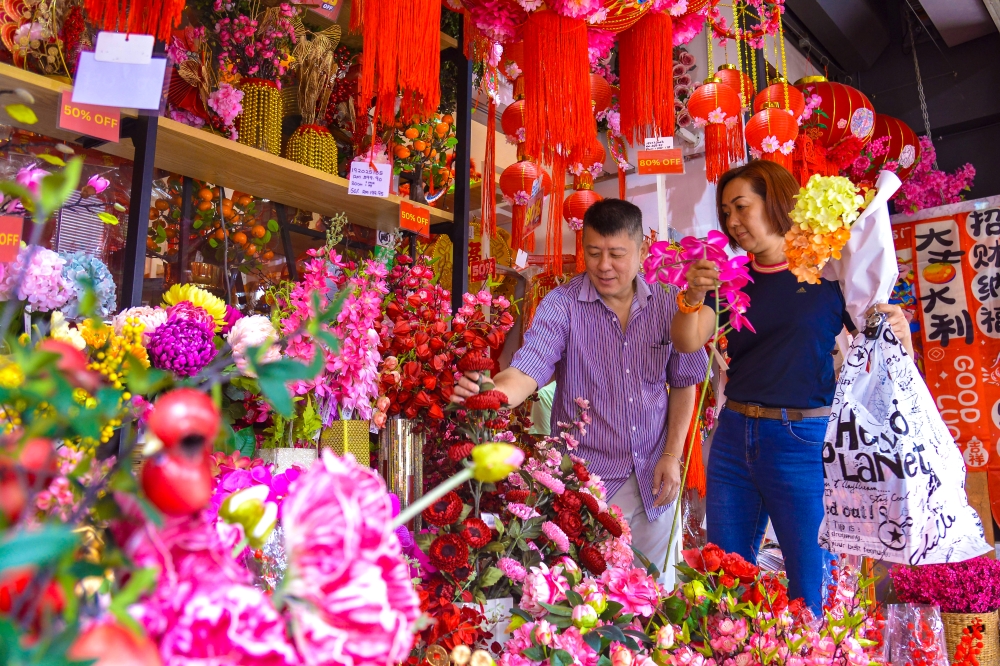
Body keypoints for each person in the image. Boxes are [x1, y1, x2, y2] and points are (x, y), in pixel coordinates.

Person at [670, 160, 912, 611]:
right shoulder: (730, 279)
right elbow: (686, 339)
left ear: (776, 202)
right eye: (726, 213)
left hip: (802, 440)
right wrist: (693, 296)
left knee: (810, 583)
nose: (734, 222)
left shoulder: (829, 273)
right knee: (726, 579)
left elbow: (879, 339)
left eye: (742, 207)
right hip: (733, 439)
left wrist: (896, 324)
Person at [453, 199, 709, 571]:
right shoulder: (562, 305)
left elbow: (685, 382)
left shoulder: (670, 304)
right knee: (589, 600)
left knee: (653, 599)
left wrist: (672, 454)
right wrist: (491, 393)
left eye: (617, 254)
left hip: (655, 477)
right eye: (593, 253)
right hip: (587, 485)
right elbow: (527, 370)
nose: (604, 266)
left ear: (641, 252)